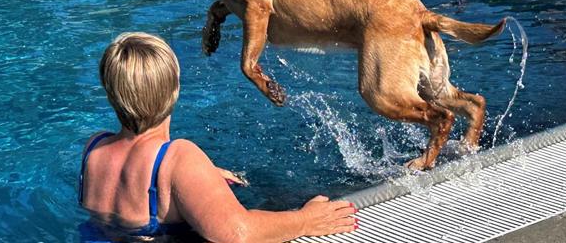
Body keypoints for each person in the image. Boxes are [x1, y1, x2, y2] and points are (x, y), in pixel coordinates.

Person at [78, 32, 357, 242]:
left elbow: (134, 179)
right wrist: (305, 221)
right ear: (175, 88)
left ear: (110, 93)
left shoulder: (95, 147)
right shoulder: (179, 157)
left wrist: (199, 177)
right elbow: (235, 234)